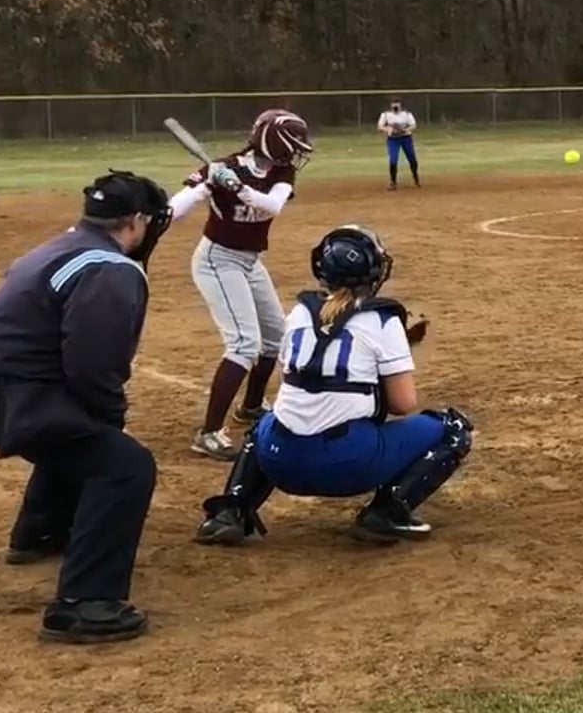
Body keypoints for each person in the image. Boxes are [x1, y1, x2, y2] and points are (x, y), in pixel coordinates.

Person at [0, 170, 175, 644]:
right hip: (15, 394)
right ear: (136, 220)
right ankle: (84, 604)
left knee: (78, 436)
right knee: (123, 465)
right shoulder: (110, 267)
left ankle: (39, 532)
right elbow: (93, 364)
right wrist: (110, 419)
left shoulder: (65, 244)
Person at [195, 224, 474, 546]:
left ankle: (230, 510)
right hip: (346, 464)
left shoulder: (299, 314)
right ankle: (387, 511)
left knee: (266, 423)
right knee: (453, 428)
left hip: (278, 460)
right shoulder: (383, 321)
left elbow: (307, 379)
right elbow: (402, 404)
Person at [170, 108, 315, 461]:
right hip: (217, 260)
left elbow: (272, 206)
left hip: (250, 261)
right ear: (274, 142)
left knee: (276, 335)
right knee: (244, 343)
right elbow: (179, 206)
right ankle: (208, 433)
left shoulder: (281, 172)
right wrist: (208, 184)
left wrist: (239, 187)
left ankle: (250, 407)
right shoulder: (223, 168)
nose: (295, 155)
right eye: (292, 146)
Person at [377, 96, 420, 190]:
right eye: (393, 103)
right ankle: (393, 182)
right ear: (390, 105)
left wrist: (405, 130)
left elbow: (413, 125)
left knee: (412, 158)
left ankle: (415, 176)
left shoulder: (406, 114)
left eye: (397, 103)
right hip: (393, 139)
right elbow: (380, 126)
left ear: (400, 105)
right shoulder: (386, 114)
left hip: (406, 138)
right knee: (393, 160)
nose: (395, 105)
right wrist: (389, 130)